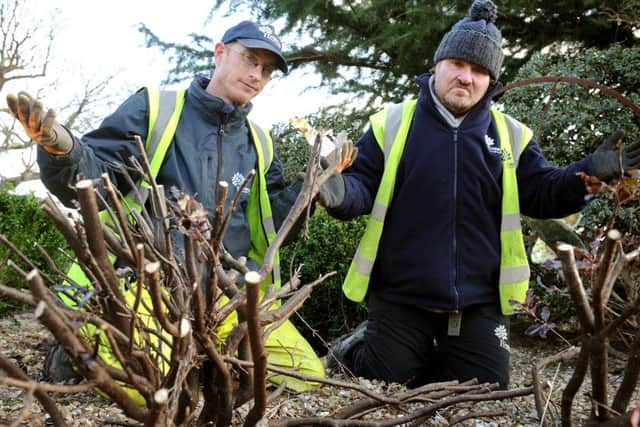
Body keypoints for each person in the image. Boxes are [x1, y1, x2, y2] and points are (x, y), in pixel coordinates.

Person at [318, 0, 640, 389]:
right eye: (457, 64)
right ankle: (353, 348)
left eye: (479, 70)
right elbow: (362, 186)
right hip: (401, 295)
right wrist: (335, 194)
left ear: (491, 81)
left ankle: (429, 357)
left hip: (480, 301)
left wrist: (584, 174)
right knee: (388, 380)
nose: (466, 77)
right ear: (437, 65)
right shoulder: (392, 123)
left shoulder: (512, 134)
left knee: (486, 391)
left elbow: (541, 193)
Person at [6, 20, 324, 394]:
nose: (257, 74)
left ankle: (200, 357)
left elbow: (268, 229)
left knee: (303, 374)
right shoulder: (155, 108)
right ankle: (74, 351)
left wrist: (313, 186)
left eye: (267, 70)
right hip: (141, 285)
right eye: (249, 59)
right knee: (148, 379)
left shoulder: (261, 143)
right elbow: (96, 177)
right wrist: (64, 150)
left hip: (222, 296)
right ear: (220, 53)